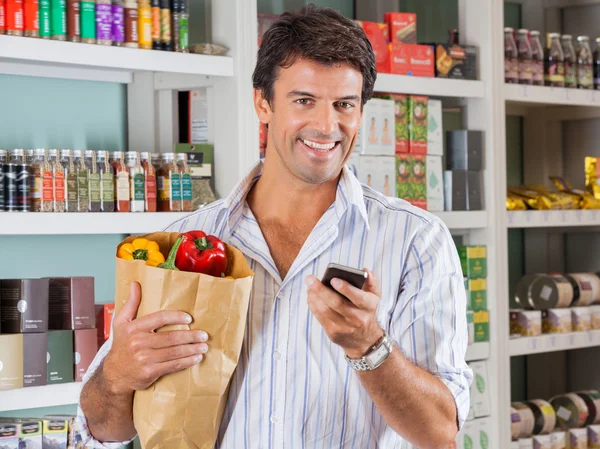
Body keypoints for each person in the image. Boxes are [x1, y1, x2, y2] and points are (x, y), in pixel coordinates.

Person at [77, 5, 472, 449]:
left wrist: (369, 346)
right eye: (304, 101)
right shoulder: (181, 243)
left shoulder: (416, 241)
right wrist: (117, 374)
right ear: (262, 102)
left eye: (345, 104)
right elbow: (105, 429)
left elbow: (440, 432)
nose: (327, 126)